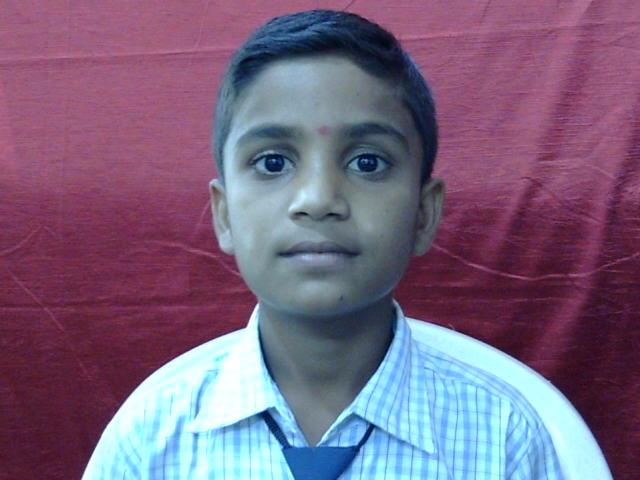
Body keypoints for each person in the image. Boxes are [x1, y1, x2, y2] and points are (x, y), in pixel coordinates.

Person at [83, 9, 563, 479]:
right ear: (224, 214)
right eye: (273, 163)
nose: (317, 199)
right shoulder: (149, 441)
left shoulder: (505, 441)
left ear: (423, 213)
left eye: (368, 163)